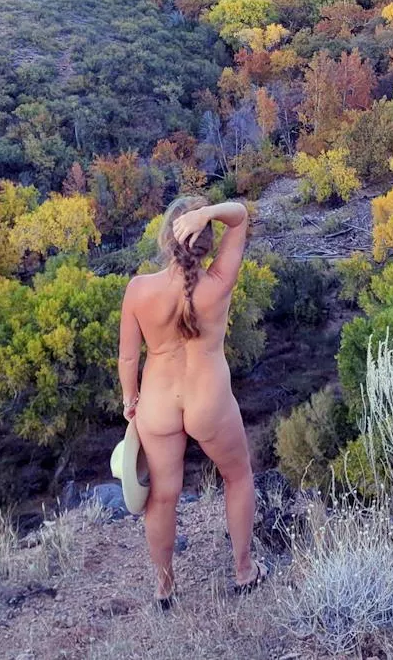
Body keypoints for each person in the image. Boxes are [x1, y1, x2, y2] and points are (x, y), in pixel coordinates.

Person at [118, 196, 266, 608]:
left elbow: (128, 358)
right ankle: (244, 571)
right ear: (205, 242)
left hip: (158, 403)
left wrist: (130, 398)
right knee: (237, 476)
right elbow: (240, 217)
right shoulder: (218, 284)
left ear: (165, 239)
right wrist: (209, 213)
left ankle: (164, 588)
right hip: (209, 400)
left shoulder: (139, 290)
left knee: (162, 496)